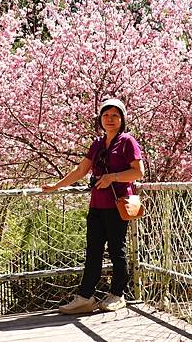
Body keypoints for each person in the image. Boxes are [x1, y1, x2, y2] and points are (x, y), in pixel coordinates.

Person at [42, 98, 145, 314]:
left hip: (118, 205)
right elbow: (81, 171)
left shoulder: (127, 141)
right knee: (93, 251)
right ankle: (85, 297)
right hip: (97, 205)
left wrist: (113, 177)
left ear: (122, 119)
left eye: (115, 115)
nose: (110, 119)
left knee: (117, 250)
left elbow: (138, 172)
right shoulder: (98, 144)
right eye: (106, 115)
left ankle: (118, 295)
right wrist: (56, 186)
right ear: (100, 118)